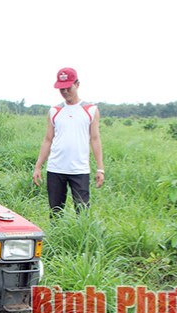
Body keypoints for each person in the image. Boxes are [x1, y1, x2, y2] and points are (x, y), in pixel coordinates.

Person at [32, 67, 104, 216]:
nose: (65, 92)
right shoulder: (54, 111)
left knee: (82, 211)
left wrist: (100, 168)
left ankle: (80, 238)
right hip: (56, 168)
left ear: (77, 84)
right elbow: (47, 140)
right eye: (61, 89)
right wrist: (38, 167)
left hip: (79, 169)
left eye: (68, 88)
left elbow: (95, 139)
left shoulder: (90, 110)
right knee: (56, 212)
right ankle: (57, 238)